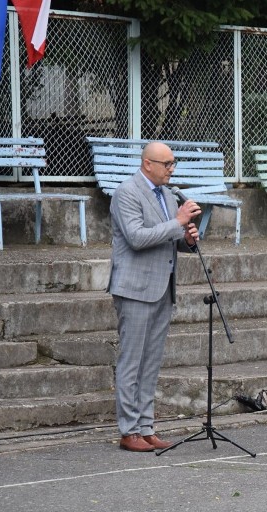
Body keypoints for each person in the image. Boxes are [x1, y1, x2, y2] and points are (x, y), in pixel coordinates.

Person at [108, 142, 201, 452]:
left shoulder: (168, 194)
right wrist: (177, 222)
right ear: (147, 164)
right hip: (135, 288)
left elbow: (168, 237)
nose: (171, 169)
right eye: (167, 164)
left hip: (163, 285)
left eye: (173, 163)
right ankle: (128, 430)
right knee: (132, 362)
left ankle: (146, 428)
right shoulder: (127, 192)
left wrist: (186, 238)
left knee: (151, 362)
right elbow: (136, 238)